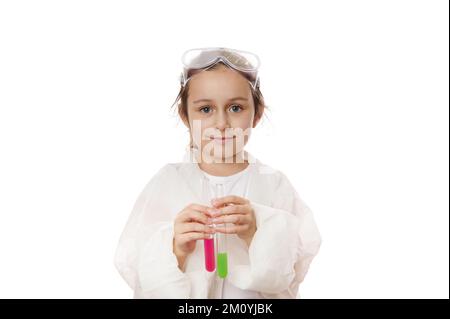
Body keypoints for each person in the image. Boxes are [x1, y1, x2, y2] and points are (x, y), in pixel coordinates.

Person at [114, 47, 321, 298]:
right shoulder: (168, 183)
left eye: (235, 108)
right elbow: (135, 263)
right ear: (185, 116)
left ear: (256, 113)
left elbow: (295, 265)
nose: (221, 124)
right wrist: (176, 246)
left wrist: (259, 231)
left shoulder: (273, 183)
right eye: (205, 109)